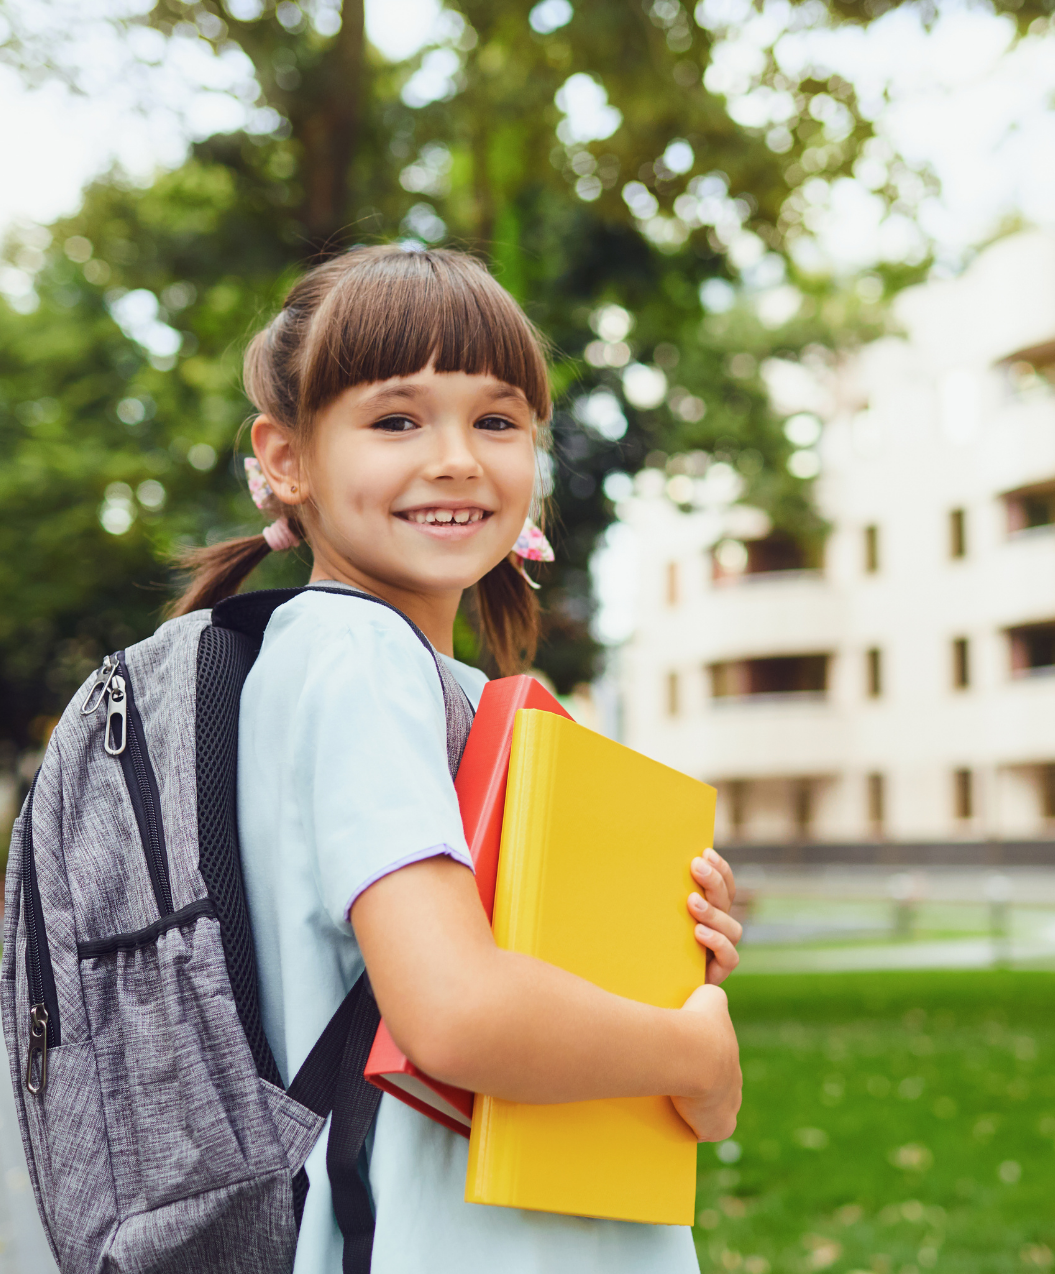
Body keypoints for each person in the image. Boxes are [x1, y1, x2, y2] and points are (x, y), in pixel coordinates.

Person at [171, 245, 744, 1272]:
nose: (457, 458)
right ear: (287, 456)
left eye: (496, 419)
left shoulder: (316, 662)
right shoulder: (361, 660)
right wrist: (693, 1049)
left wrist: (660, 957)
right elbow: (457, 1011)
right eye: (396, 419)